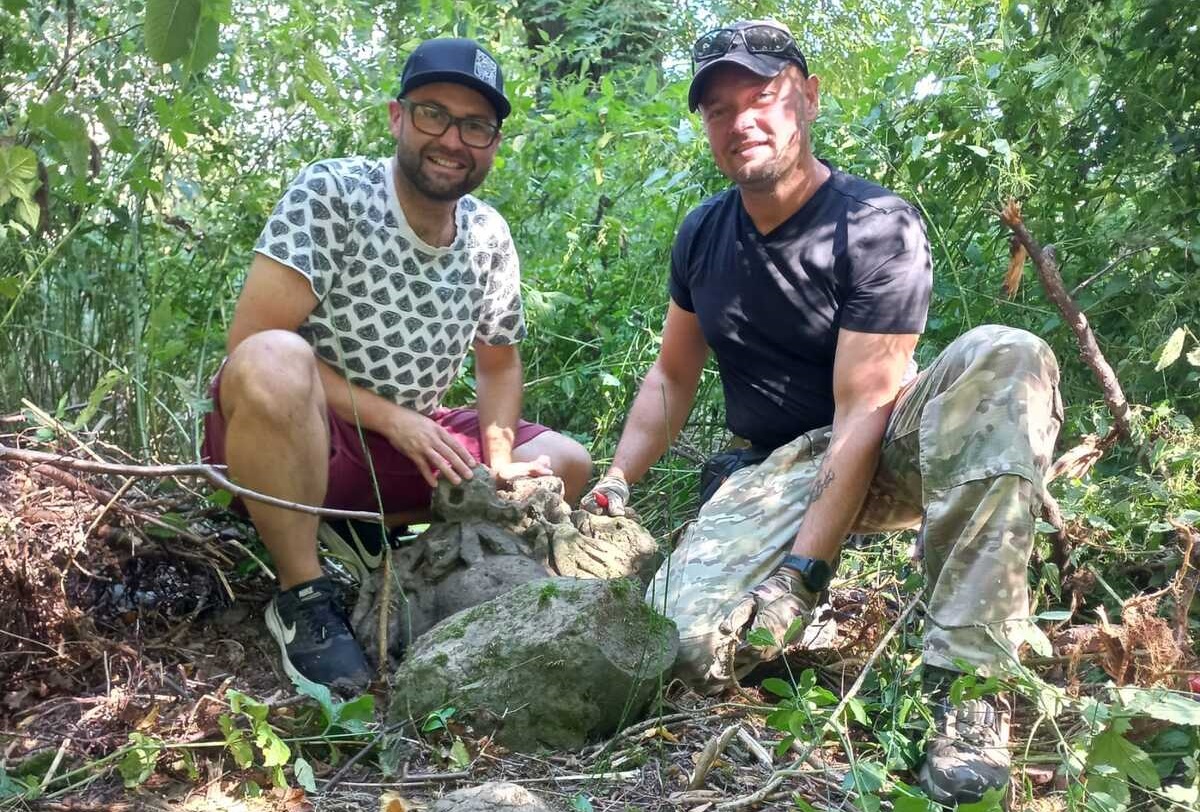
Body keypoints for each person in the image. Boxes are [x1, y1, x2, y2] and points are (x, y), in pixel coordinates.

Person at [581, 20, 1061, 805]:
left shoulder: (874, 224)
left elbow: (864, 405)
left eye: (762, 96)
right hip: (777, 468)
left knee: (1005, 352)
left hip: (883, 442)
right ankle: (777, 606)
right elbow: (671, 380)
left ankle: (969, 683)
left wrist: (801, 576)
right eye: (718, 109)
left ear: (806, 95)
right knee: (676, 651)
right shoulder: (703, 234)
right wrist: (614, 484)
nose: (742, 122)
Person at [202, 38, 592, 696]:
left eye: (476, 126)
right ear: (397, 118)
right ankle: (304, 594)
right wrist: (394, 420)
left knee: (571, 464)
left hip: (407, 440)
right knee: (273, 357)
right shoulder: (335, 192)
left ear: (494, 143)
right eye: (433, 114)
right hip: (303, 427)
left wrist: (496, 458)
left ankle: (393, 553)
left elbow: (498, 364)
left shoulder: (488, 234)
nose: (453, 139)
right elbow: (250, 340)